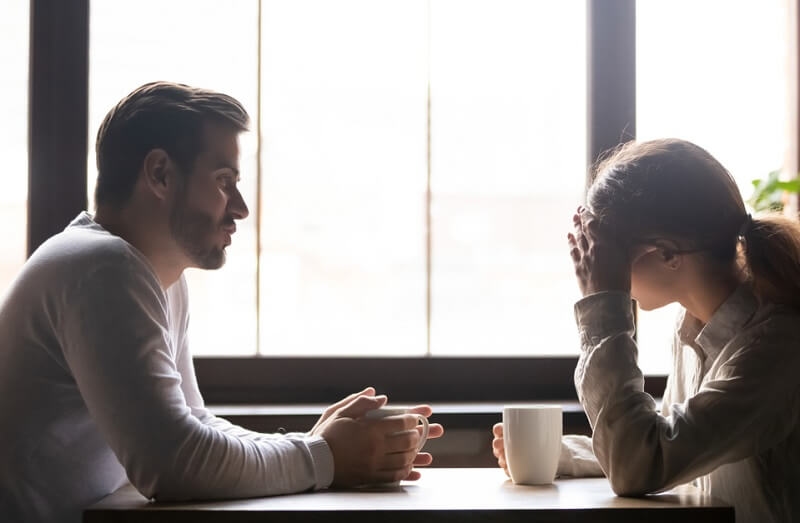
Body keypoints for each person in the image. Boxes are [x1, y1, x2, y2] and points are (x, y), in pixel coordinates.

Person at [0, 81, 443, 523]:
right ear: (160, 174)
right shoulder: (101, 267)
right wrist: (324, 455)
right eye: (223, 181)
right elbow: (174, 465)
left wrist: (320, 443)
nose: (241, 207)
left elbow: (194, 425)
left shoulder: (151, 276)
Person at [492, 138, 800, 523]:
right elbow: (672, 445)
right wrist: (560, 454)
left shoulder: (775, 349)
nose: (593, 263)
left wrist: (604, 303)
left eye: (605, 252)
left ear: (668, 254)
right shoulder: (693, 328)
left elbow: (640, 465)